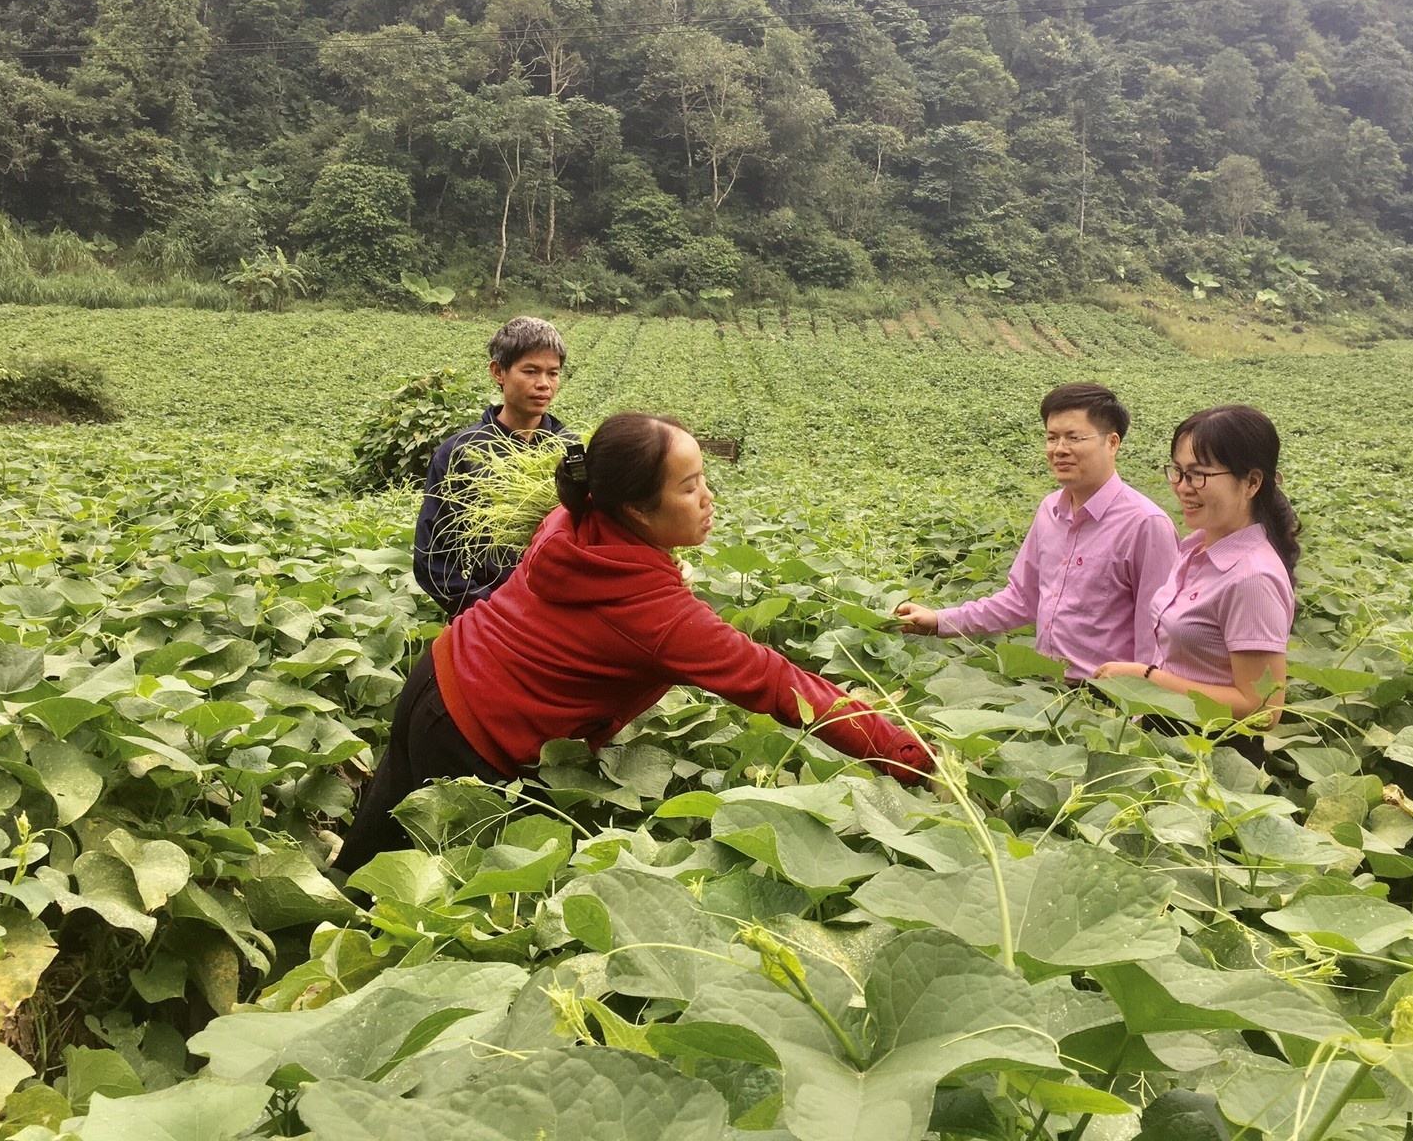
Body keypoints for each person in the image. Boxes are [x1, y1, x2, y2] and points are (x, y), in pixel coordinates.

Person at [337, 412, 934, 871]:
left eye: (705, 480)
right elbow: (781, 686)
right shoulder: (662, 617)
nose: (708, 500)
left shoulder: (569, 521)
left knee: (371, 855)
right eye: (689, 487)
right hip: (474, 738)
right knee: (436, 899)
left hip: (438, 678)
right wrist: (914, 757)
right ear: (637, 510)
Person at [894, 382, 1178, 683]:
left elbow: (1158, 638)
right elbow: (1021, 599)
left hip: (1110, 701)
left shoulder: (1146, 524)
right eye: (1052, 438)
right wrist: (939, 621)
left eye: (1074, 437)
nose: (1059, 450)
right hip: (1044, 687)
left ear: (1112, 443)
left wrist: (1138, 718)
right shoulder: (1049, 511)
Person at [1095, 405, 1298, 726]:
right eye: (1178, 471)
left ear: (1251, 482)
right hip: (1166, 736)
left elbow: (1263, 710)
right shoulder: (1194, 548)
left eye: (1199, 474)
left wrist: (1148, 678)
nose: (1182, 486)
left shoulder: (1252, 577)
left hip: (1209, 757)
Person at [413, 316, 572, 617]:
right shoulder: (460, 453)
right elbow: (432, 557)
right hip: (488, 618)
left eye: (553, 373)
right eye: (530, 371)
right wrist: (490, 609)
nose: (544, 384)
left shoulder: (570, 451)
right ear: (498, 372)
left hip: (561, 618)